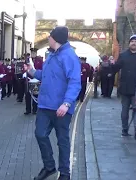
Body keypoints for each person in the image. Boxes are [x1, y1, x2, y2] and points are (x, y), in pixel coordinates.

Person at [24, 26, 81, 180]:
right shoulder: (51, 55)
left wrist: (67, 103)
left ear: (55, 38)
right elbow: (47, 76)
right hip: (45, 105)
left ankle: (64, 173)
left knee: (62, 141)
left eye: (50, 36)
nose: (48, 38)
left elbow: (75, 82)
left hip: (61, 107)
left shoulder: (69, 56)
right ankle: (49, 167)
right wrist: (33, 71)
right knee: (40, 134)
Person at [111, 34, 136, 137]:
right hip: (125, 87)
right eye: (132, 41)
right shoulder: (123, 55)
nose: (134, 43)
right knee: (125, 111)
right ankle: (124, 129)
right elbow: (116, 68)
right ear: (129, 43)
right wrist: (112, 65)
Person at [24, 48, 43, 115]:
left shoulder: (39, 60)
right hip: (29, 79)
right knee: (27, 95)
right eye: (32, 53)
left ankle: (34, 110)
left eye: (34, 53)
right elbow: (25, 68)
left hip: (36, 80)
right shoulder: (27, 60)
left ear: (36, 53)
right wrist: (24, 73)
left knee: (35, 95)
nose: (33, 54)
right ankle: (28, 110)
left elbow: (41, 69)